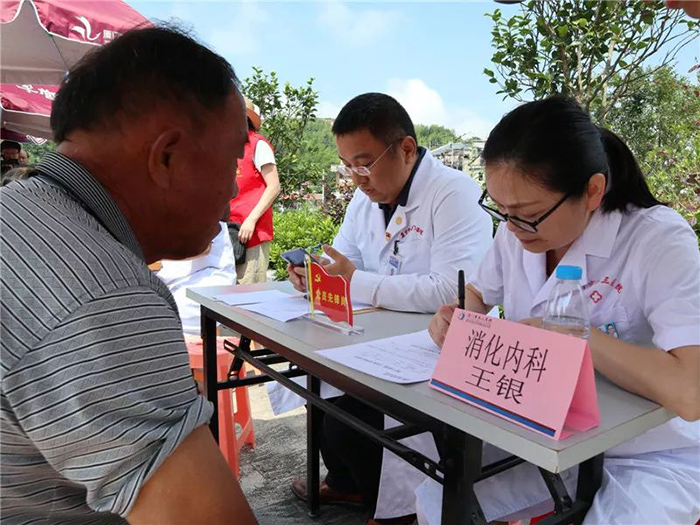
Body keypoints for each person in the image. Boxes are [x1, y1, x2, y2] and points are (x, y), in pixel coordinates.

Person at [379, 96, 700, 525]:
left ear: (592, 191)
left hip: (648, 450)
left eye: (527, 215)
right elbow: (478, 292)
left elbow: (690, 391)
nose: (512, 228)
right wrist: (457, 315)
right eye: (501, 211)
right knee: (442, 502)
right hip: (544, 436)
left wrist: (576, 338)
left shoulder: (657, 240)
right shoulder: (518, 233)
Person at [0, 26, 257, 525]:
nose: (233, 189)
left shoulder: (22, 213)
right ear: (167, 156)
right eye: (232, 159)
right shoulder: (105, 293)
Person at [286, 93, 494, 525]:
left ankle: (400, 508)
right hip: (378, 332)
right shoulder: (364, 199)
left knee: (355, 410)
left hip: (436, 341)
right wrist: (315, 273)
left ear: (406, 149)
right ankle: (349, 482)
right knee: (318, 379)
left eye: (364, 164)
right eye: (347, 165)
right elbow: (342, 259)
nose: (356, 178)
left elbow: (450, 290)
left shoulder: (454, 193)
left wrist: (353, 280)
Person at [228, 99, 280, 284]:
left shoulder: (258, 144)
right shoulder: (226, 146)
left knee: (248, 289)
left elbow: (274, 186)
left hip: (251, 233)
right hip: (228, 230)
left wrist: (251, 220)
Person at [157, 221, 238, 335]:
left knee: (171, 306)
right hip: (174, 277)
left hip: (208, 276)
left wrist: (153, 256)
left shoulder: (205, 211)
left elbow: (203, 249)